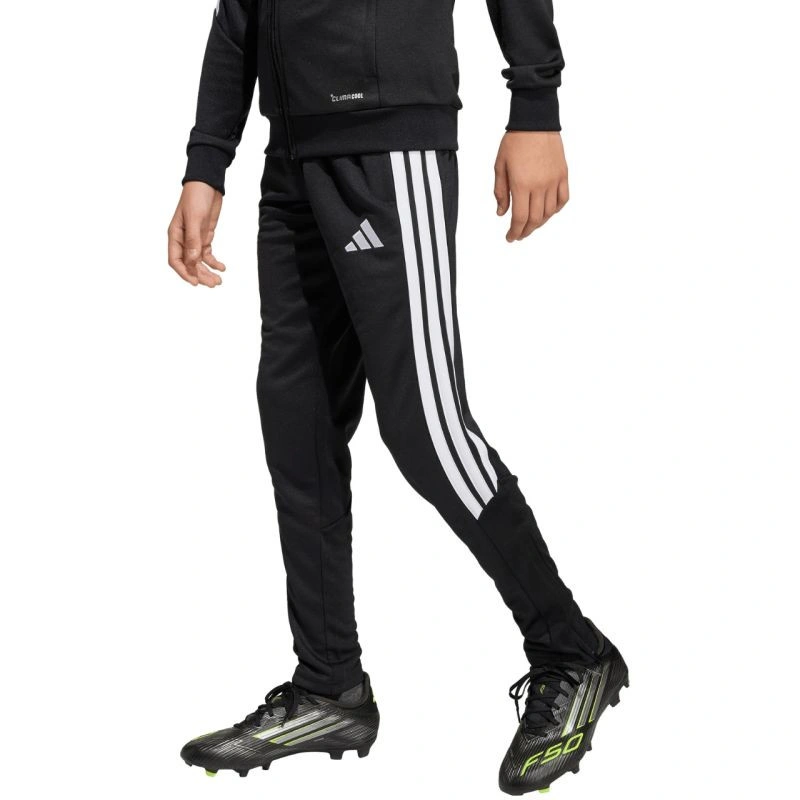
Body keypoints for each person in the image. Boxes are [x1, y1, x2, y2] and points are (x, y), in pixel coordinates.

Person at [169, 1, 627, 794]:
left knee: (427, 430)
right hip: (292, 157)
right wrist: (207, 161)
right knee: (298, 428)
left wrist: (536, 102)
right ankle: (329, 686)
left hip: (387, 139)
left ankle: (573, 650)